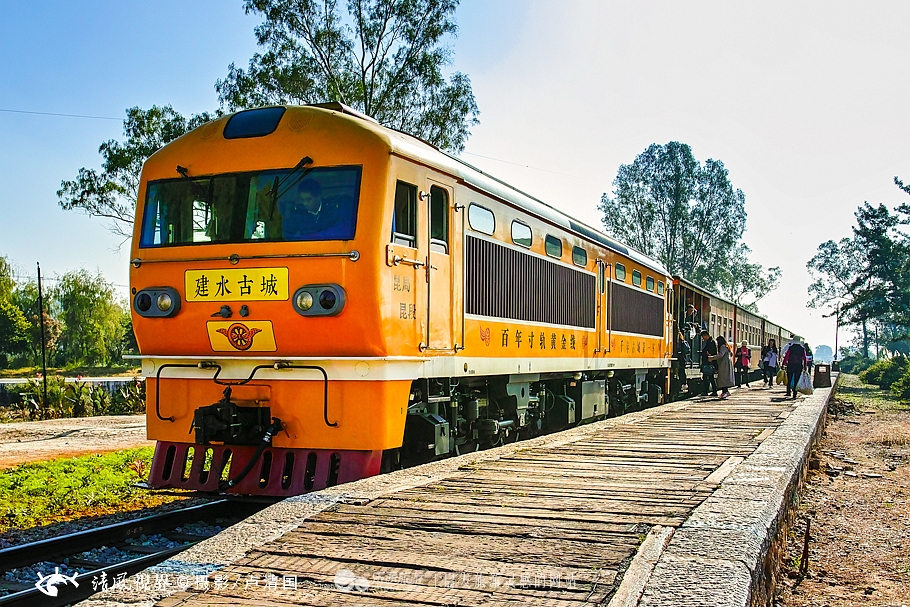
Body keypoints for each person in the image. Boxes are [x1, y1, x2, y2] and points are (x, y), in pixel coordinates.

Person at [700, 330, 718, 397]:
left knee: (709, 377)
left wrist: (705, 353)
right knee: (709, 377)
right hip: (708, 362)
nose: (703, 338)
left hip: (709, 362)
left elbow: (712, 352)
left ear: (706, 335)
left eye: (703, 337)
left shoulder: (710, 342)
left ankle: (709, 391)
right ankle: (711, 391)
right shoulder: (710, 342)